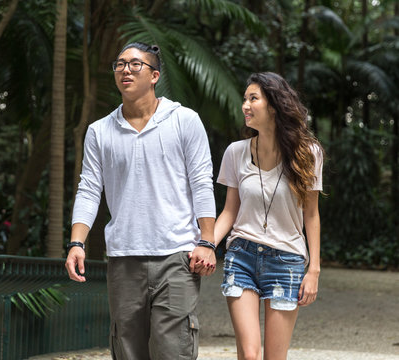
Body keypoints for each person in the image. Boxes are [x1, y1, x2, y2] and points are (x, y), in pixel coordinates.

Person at [65, 42, 217, 360]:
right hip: (123, 258)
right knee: (128, 349)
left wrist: (208, 241)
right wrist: (76, 243)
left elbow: (201, 183)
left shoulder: (184, 121)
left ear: (155, 76)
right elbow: (89, 189)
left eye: (135, 65)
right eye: (120, 64)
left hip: (177, 256)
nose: (125, 70)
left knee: (173, 349)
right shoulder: (99, 131)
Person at [214, 72, 323, 360]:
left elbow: (311, 214)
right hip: (242, 255)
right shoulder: (235, 153)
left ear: (273, 105)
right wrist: (205, 243)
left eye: (253, 99)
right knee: (249, 355)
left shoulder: (307, 153)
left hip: (287, 260)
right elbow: (229, 211)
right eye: (244, 99)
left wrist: (313, 270)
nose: (245, 106)